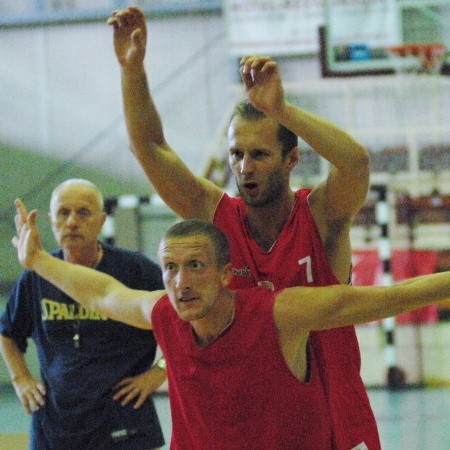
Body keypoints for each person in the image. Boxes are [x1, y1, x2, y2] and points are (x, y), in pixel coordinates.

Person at [108, 6, 377, 449]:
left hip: (325, 427)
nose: (244, 167)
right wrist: (131, 69)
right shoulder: (214, 216)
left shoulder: (322, 217)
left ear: (291, 160)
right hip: (237, 428)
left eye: (259, 154)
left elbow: (355, 162)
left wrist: (282, 109)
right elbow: (149, 147)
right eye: (236, 155)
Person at [12, 206, 450, 450]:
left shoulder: (279, 313)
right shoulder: (165, 314)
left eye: (195, 267)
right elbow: (102, 293)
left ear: (226, 274)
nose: (180, 282)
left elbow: (381, 299)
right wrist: (38, 262)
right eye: (170, 268)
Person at [0, 180, 165, 449]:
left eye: (83, 213)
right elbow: (8, 333)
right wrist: (21, 380)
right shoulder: (34, 276)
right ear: (51, 221)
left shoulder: (137, 270)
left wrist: (159, 371)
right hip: (56, 425)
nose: (72, 222)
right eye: (63, 213)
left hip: (123, 421)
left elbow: (188, 325)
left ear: (101, 221)